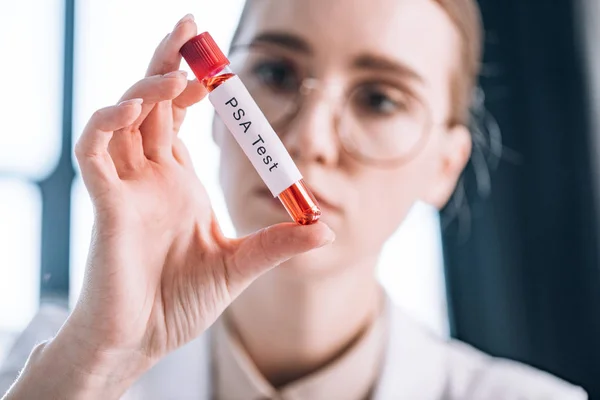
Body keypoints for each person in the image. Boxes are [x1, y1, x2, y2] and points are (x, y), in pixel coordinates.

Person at [0, 0, 588, 399]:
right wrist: (97, 362)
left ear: (445, 166)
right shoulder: (47, 366)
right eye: (277, 74)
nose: (307, 138)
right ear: (212, 109)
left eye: (380, 100)